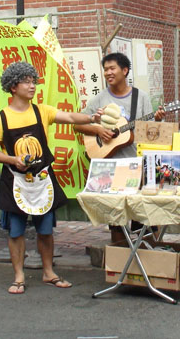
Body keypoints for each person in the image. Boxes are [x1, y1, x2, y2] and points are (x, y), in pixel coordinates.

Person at [0, 61, 102, 294]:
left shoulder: (42, 111)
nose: (32, 86)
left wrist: (91, 118)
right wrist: (12, 160)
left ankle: (49, 272)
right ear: (13, 86)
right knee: (16, 231)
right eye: (26, 82)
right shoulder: (1, 118)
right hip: (15, 181)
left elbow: (69, 117)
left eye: (33, 81)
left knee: (46, 229)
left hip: (42, 180)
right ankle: (18, 275)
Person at [74, 52, 165, 243]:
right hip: (109, 167)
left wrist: (156, 120)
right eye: (105, 69)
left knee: (143, 218)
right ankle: (120, 261)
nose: (108, 72)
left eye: (112, 68)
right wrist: (98, 130)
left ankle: (149, 260)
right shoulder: (99, 99)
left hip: (136, 166)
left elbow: (150, 132)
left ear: (125, 70)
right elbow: (77, 124)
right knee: (115, 220)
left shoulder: (140, 98)